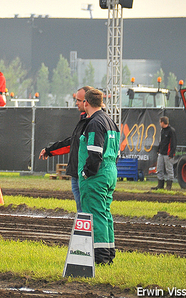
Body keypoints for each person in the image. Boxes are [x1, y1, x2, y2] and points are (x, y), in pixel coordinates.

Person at [79, 88, 119, 265]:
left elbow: (95, 154)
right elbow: (116, 151)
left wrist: (86, 172)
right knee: (105, 214)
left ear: (86, 103)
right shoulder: (111, 122)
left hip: (97, 175)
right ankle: (109, 254)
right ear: (102, 103)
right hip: (110, 172)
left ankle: (101, 258)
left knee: (96, 215)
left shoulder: (95, 123)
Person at [39, 85, 93, 213]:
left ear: (88, 101)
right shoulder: (84, 119)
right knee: (82, 211)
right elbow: (72, 143)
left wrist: (86, 172)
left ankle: (91, 233)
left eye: (79, 100)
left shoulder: (94, 121)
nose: (76, 103)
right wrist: (50, 150)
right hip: (77, 173)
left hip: (84, 175)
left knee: (86, 212)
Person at [152, 116, 177, 190]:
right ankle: (160, 185)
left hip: (168, 154)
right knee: (159, 169)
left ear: (163, 122)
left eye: (160, 122)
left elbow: (173, 143)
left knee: (169, 169)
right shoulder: (162, 130)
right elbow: (162, 141)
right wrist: (158, 149)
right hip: (161, 153)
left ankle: (169, 185)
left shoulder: (171, 131)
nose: (160, 124)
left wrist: (171, 153)